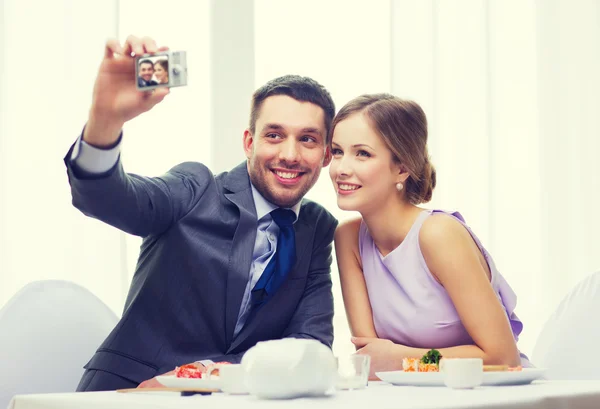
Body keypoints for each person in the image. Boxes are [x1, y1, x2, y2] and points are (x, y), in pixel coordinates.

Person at [65, 35, 337, 391]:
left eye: (308, 139)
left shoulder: (316, 227)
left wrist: (201, 377)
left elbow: (309, 346)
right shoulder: (196, 188)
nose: (290, 154)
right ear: (249, 142)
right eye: (274, 135)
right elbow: (108, 199)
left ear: (327, 154)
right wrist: (105, 120)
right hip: (129, 392)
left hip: (225, 397)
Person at [329, 94, 531, 379]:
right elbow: (372, 363)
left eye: (362, 153)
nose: (341, 169)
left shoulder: (438, 234)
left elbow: (502, 357)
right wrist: (393, 362)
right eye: (337, 151)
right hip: (409, 397)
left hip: (486, 394)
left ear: (401, 168)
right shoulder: (348, 238)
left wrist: (403, 359)